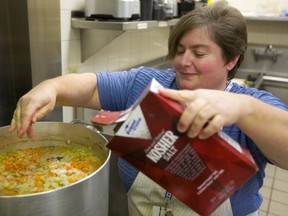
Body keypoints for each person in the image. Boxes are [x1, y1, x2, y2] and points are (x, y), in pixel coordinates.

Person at [9, 1, 288, 215]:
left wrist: (244, 110)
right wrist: (50, 88)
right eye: (180, 50)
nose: (183, 61)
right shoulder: (149, 84)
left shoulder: (254, 107)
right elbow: (92, 86)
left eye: (199, 53)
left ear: (231, 60)